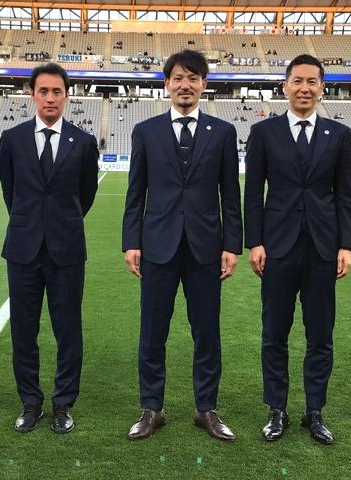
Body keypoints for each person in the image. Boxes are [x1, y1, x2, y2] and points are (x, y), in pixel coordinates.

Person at [122, 50, 243, 442]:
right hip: (157, 245)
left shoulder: (223, 133)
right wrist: (131, 242)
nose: (185, 84)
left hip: (207, 247)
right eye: (177, 77)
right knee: (152, 332)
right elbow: (135, 191)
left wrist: (232, 245)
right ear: (167, 84)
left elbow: (231, 195)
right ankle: (151, 408)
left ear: (203, 84)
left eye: (192, 77)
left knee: (206, 332)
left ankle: (206, 409)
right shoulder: (146, 131)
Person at [244, 54, 351, 445]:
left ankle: (314, 411)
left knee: (320, 336)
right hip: (277, 247)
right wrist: (254, 241)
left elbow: (346, 195)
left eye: (312, 82)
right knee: (274, 333)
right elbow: (252, 193)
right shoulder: (263, 133)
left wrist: (346, 245)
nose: (304, 88)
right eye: (297, 81)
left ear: (322, 87)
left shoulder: (339, 135)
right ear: (285, 86)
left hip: (324, 248)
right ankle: (277, 410)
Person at [0, 63, 99, 434]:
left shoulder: (83, 141)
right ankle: (30, 401)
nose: (50, 98)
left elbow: (85, 194)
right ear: (32, 94)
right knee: (23, 331)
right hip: (23, 248)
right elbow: (10, 191)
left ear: (67, 95)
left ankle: (62, 403)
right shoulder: (12, 139)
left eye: (57, 91)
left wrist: (59, 223)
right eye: (44, 91)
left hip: (67, 249)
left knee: (68, 330)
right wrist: (31, 223)